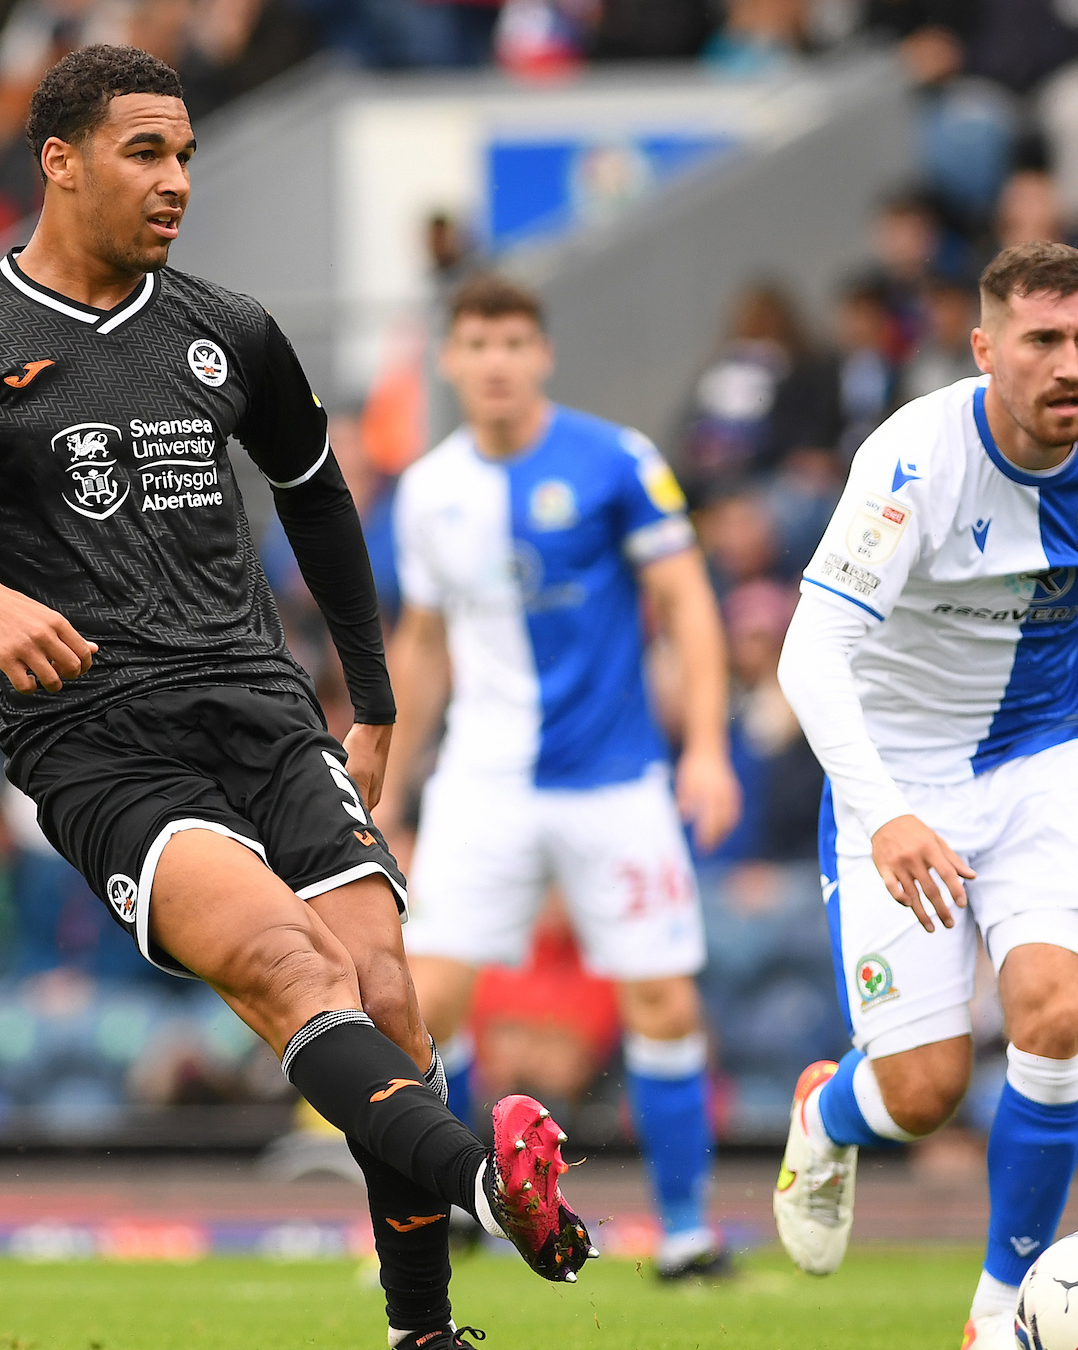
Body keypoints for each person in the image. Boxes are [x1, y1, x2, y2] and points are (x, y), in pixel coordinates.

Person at [0, 46, 592, 1348]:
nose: (179, 179)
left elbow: (319, 493)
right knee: (294, 969)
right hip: (101, 740)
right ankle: (480, 1179)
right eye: (147, 153)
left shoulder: (227, 329)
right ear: (58, 162)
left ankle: (424, 1329)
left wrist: (375, 693)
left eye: (185, 153)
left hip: (261, 705)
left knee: (389, 992)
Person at [769, 241, 1078, 1346]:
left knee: (1053, 1016)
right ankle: (826, 1110)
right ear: (987, 348)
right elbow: (809, 655)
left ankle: (1000, 1318)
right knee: (925, 1092)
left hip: (1044, 760)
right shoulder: (912, 464)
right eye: (1043, 340)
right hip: (895, 780)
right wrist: (887, 813)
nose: (1071, 365)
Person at [384, 275, 743, 1280]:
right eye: (477, 344)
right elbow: (422, 643)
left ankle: (684, 1235)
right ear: (451, 361)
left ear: (541, 354)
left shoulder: (616, 460)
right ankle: (453, 1205)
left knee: (664, 1003)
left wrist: (706, 747)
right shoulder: (429, 491)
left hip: (616, 782)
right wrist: (387, 790)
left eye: (513, 342)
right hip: (482, 784)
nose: (495, 362)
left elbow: (687, 599)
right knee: (420, 1007)